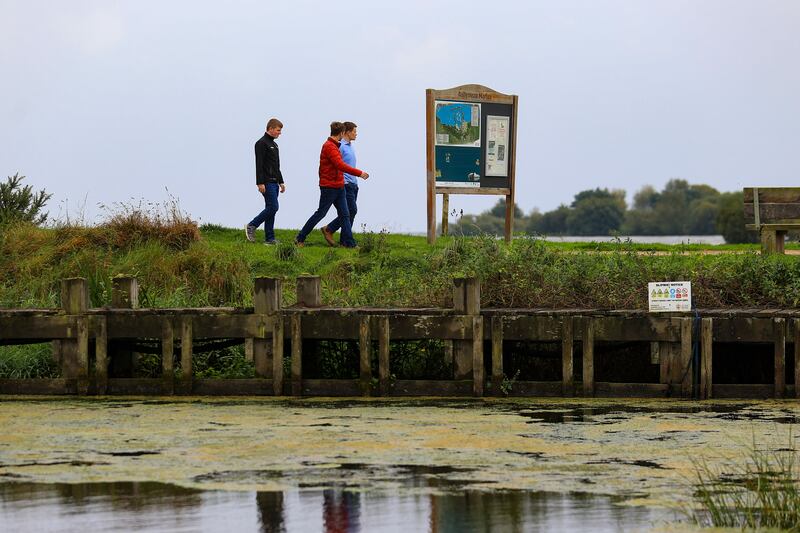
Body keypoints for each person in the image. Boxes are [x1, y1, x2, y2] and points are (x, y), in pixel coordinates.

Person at [295, 122, 369, 248]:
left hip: (339, 186)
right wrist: (359, 173)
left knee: (345, 215)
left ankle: (349, 244)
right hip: (329, 187)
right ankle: (300, 238)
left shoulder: (335, 145)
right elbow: (340, 165)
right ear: (341, 133)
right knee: (320, 214)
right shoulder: (329, 146)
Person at [321, 121, 366, 246]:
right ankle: (333, 231)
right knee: (351, 210)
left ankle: (342, 239)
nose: (356, 134)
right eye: (354, 131)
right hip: (344, 183)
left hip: (353, 183)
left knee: (350, 212)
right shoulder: (340, 146)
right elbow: (338, 165)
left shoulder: (350, 146)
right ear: (346, 132)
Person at [245, 118, 285, 245]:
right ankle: (252, 225)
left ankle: (270, 238)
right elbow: (259, 164)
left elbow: (276, 165)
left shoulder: (275, 144)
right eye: (278, 130)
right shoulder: (261, 143)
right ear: (271, 129)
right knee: (273, 207)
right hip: (266, 182)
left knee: (271, 209)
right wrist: (260, 182)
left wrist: (281, 181)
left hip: (275, 182)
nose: (280, 133)